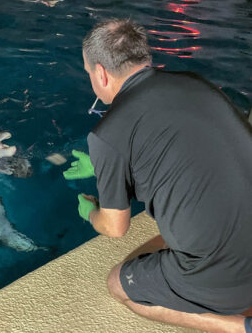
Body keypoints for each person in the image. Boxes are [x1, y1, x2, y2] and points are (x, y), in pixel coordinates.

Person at [63, 18, 252, 333]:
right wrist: (101, 166)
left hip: (230, 277)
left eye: (88, 74)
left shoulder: (107, 134)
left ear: (101, 73)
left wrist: (90, 212)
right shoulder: (196, 83)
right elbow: (189, 150)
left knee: (118, 284)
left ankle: (238, 326)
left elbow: (115, 227)